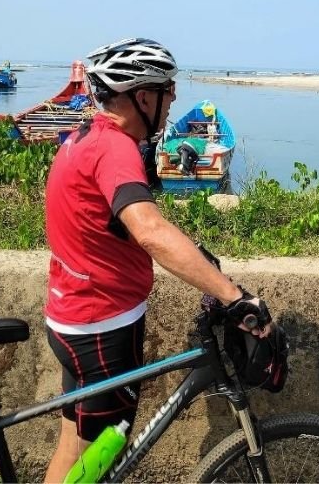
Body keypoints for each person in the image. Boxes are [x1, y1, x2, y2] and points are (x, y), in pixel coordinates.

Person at [42, 38, 272, 483]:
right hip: (101, 326)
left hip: (73, 316)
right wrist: (233, 296)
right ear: (143, 97)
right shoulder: (115, 148)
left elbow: (113, 223)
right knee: (100, 457)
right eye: (168, 90)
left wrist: (196, 258)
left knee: (76, 445)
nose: (174, 99)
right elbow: (148, 228)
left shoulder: (85, 138)